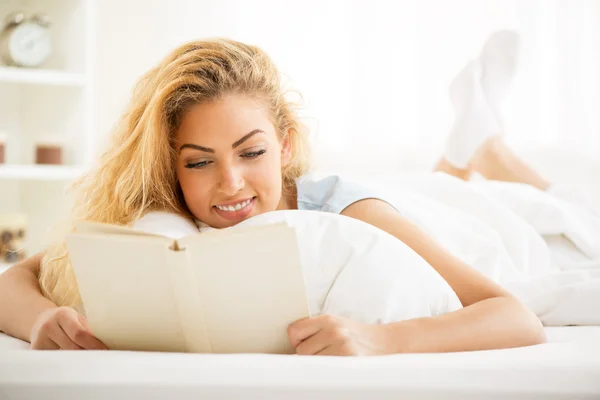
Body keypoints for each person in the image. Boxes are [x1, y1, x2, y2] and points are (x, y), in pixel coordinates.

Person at [0, 37, 546, 355]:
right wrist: (39, 322)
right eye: (199, 161)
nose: (231, 183)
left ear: (285, 145)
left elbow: (515, 316)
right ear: (170, 166)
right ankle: (471, 149)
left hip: (458, 220)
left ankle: (485, 152)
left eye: (251, 152)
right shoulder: (165, 222)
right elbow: (16, 279)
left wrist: (382, 340)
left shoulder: (343, 210)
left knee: (545, 207)